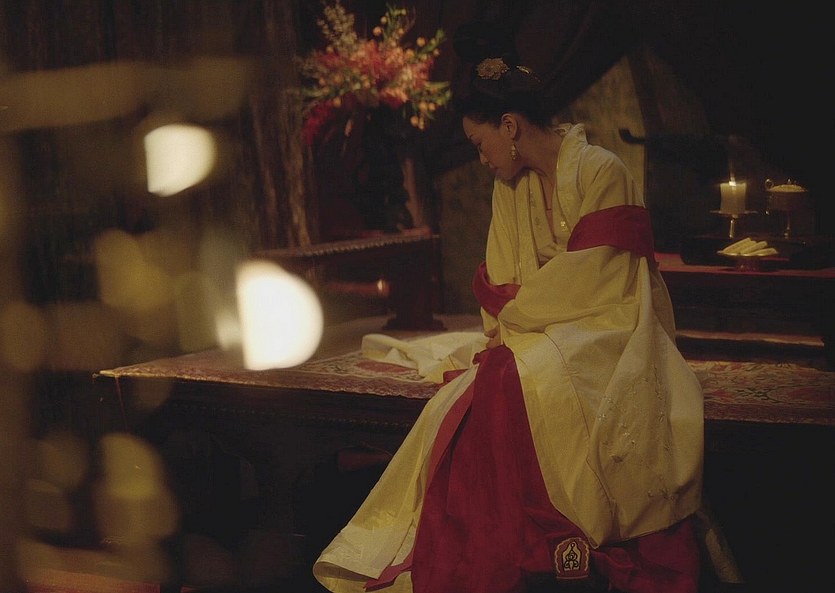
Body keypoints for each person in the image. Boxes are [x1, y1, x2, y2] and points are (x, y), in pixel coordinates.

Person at [313, 26, 705, 593]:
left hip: (610, 323)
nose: (481, 159)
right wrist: (506, 329)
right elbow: (500, 277)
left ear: (511, 127)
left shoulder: (601, 171)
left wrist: (518, 319)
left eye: (481, 144)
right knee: (493, 376)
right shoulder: (510, 188)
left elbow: (597, 275)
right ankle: (507, 538)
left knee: (513, 376)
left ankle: (556, 530)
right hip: (544, 329)